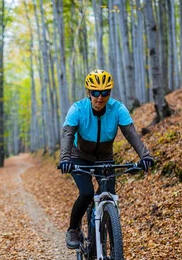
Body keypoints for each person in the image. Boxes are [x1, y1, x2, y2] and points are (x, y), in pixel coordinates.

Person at [58, 69, 154, 249]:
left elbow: (131, 134)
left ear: (110, 93)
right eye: (95, 92)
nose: (100, 97)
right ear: (89, 93)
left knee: (108, 194)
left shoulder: (118, 109)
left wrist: (145, 156)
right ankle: (73, 229)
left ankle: (108, 231)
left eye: (105, 92)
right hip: (79, 156)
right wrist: (65, 159)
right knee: (86, 193)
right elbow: (67, 134)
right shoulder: (77, 109)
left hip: (104, 157)